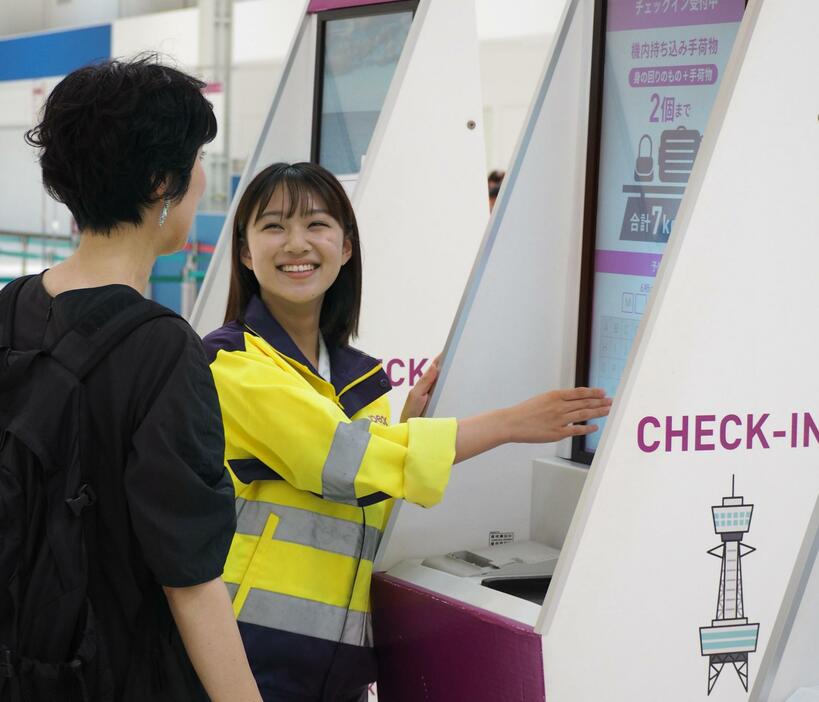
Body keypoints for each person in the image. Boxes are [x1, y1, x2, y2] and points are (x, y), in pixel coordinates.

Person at [202, 161, 611, 702]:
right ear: (246, 252)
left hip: (340, 662)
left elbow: (361, 503)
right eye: (274, 226)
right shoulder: (231, 362)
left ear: (346, 247)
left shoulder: (362, 377)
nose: (297, 244)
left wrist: (409, 427)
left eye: (317, 225)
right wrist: (511, 424)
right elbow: (343, 463)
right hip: (249, 657)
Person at [0, 57, 261, 701]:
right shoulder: (165, 350)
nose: (204, 179)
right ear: (159, 183)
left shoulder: (8, 309)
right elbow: (191, 583)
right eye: (198, 159)